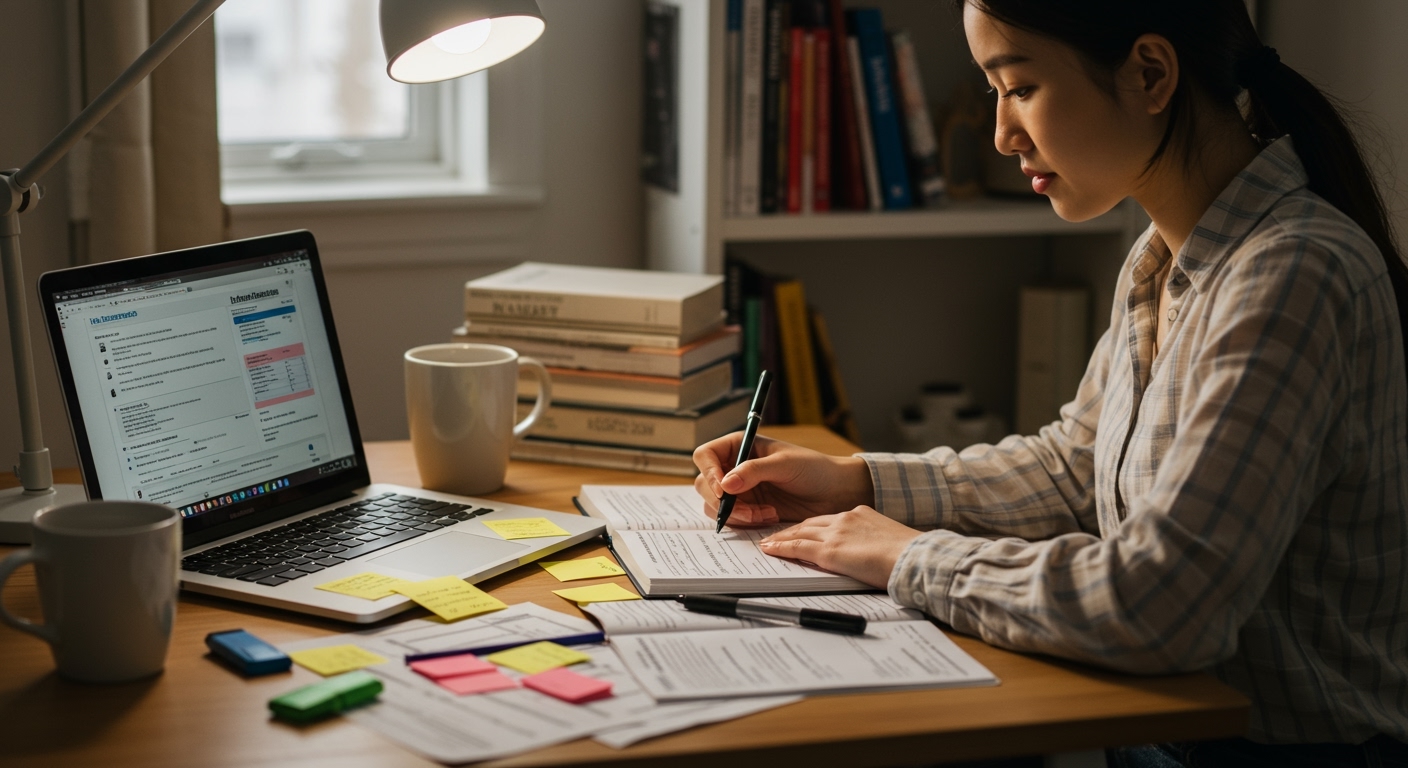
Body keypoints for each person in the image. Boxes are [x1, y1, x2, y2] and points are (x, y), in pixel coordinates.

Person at [693, 1, 1408, 766]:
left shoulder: (1293, 274)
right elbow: (1078, 468)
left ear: (1150, 74)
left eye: (1019, 87)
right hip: (1158, 725)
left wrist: (907, 557)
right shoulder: (1159, 260)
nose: (1001, 133)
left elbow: (1165, 607)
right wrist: (854, 482)